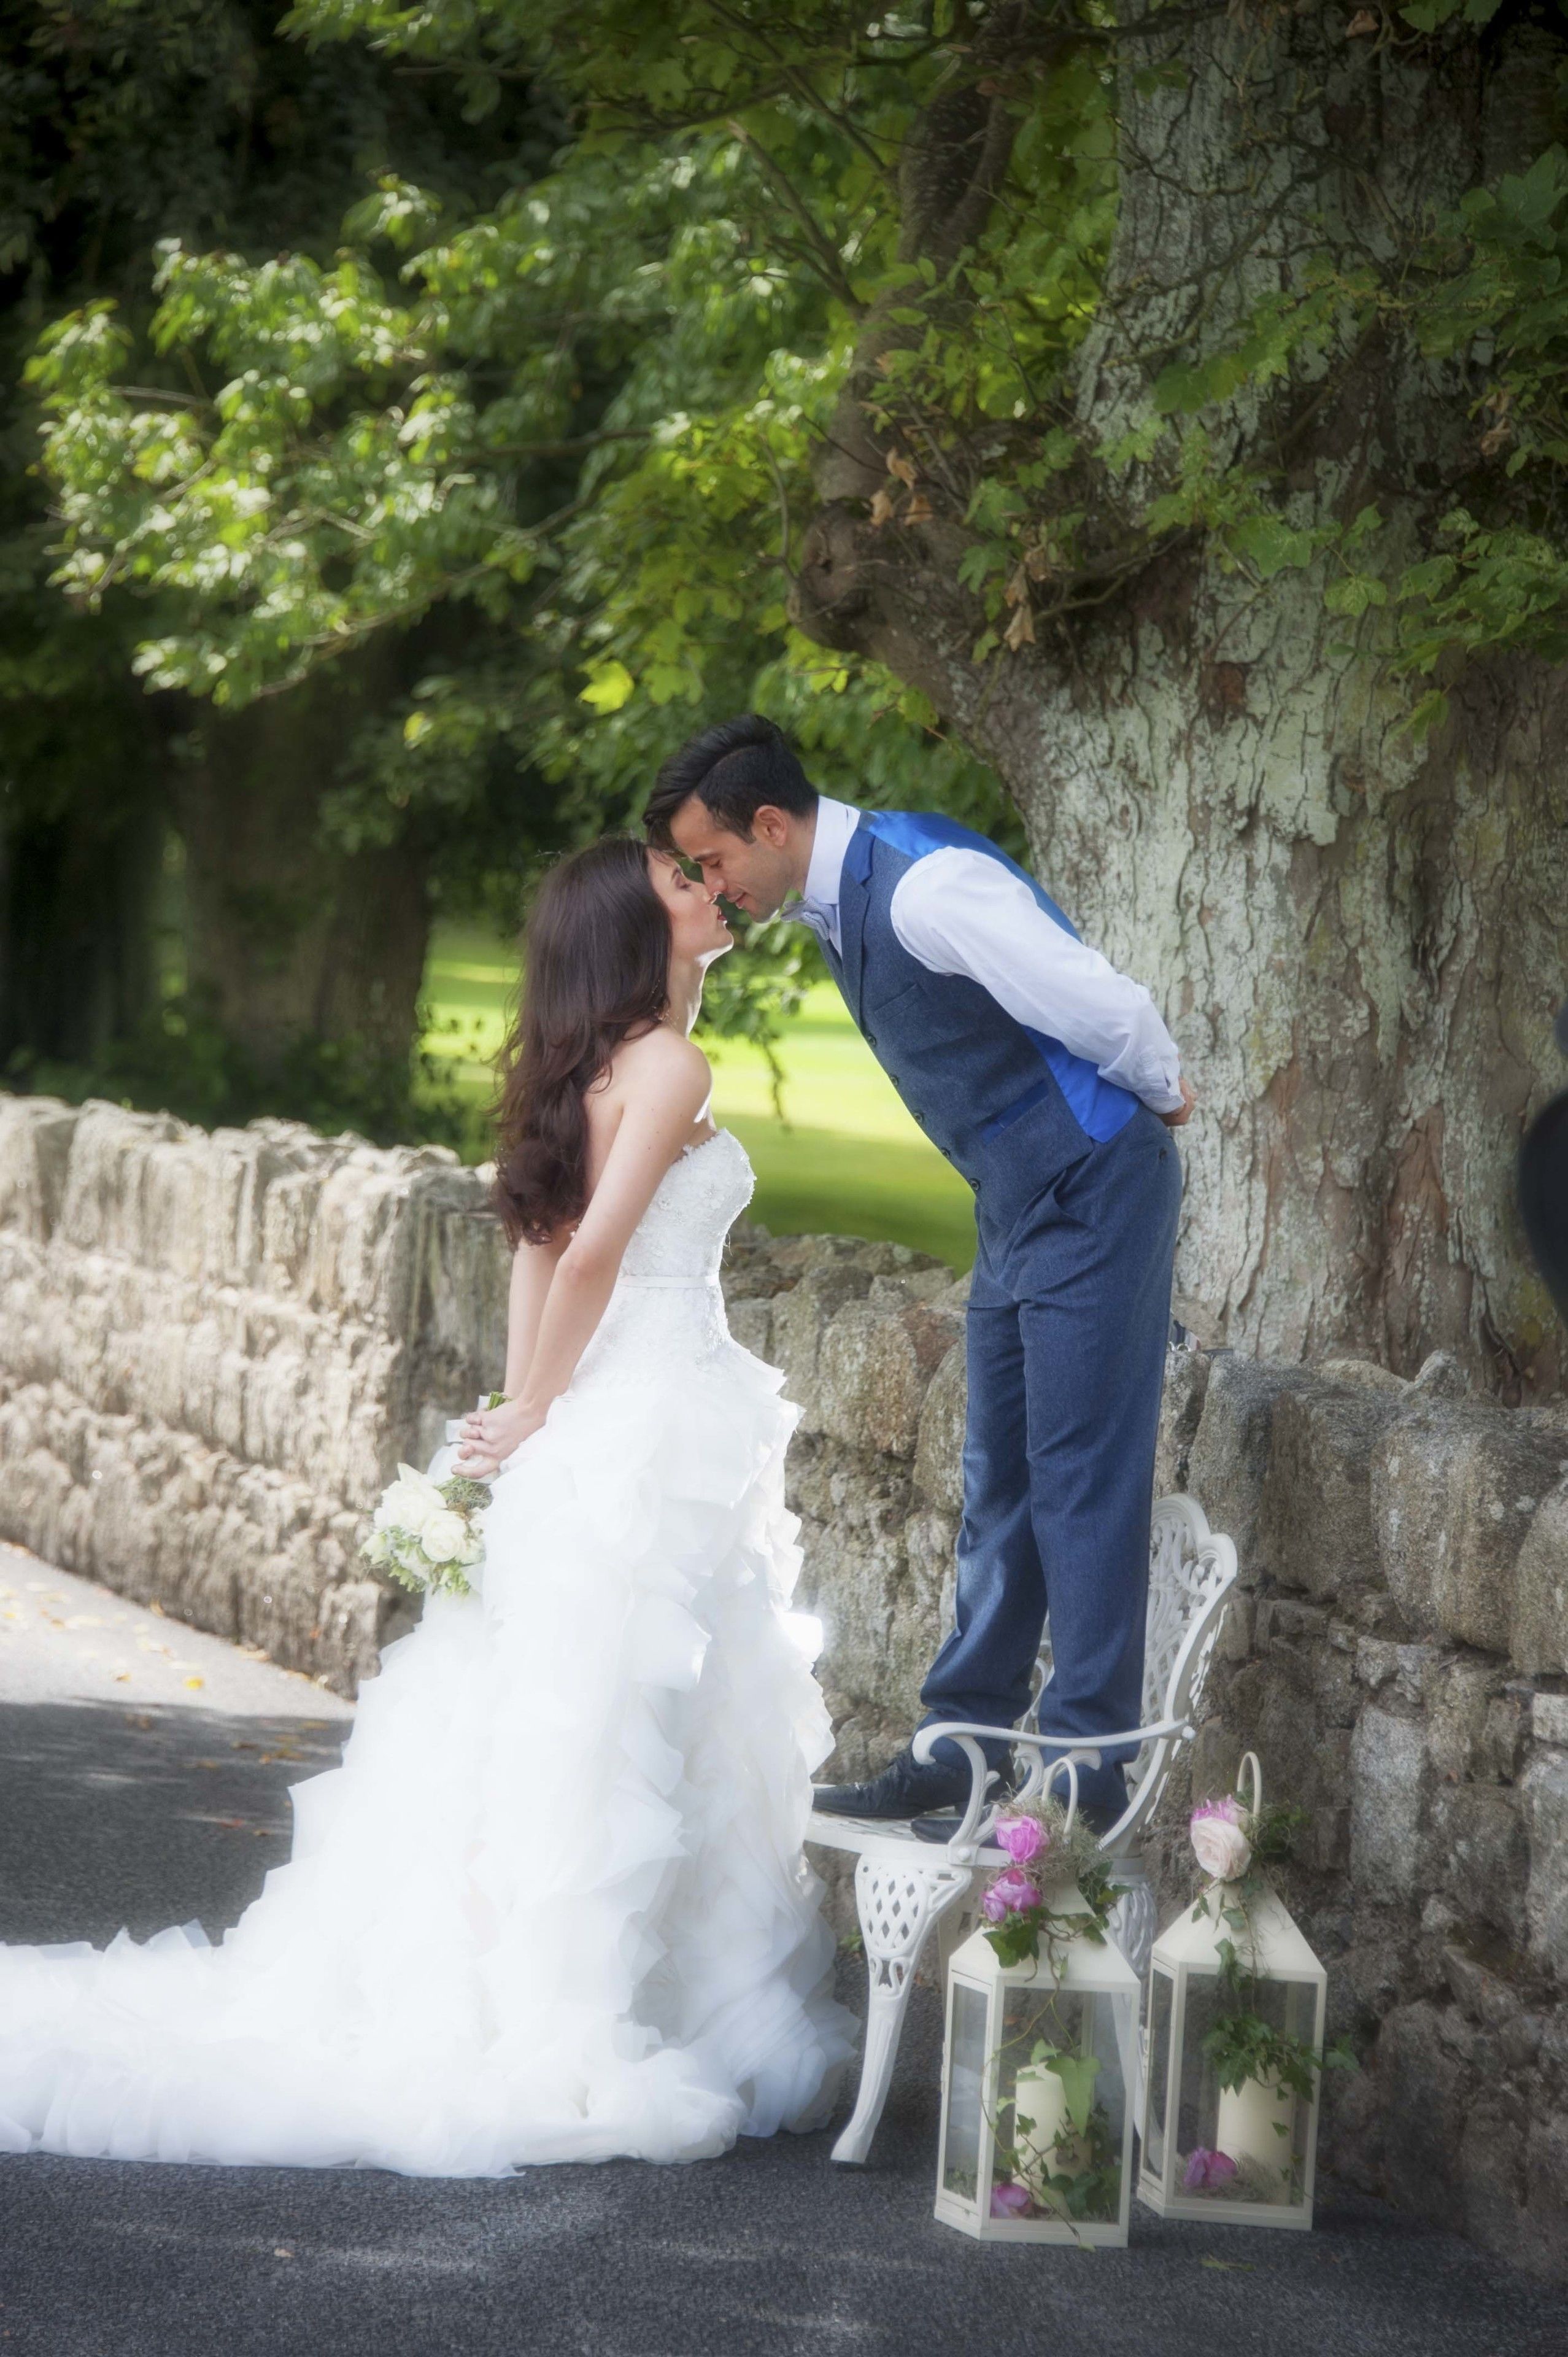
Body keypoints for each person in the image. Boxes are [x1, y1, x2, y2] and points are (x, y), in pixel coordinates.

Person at [0, 837, 851, 2174]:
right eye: (683, 880)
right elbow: (595, 1258)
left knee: (580, 1712)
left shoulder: (596, 1066)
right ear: (637, 927)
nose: (709, 887)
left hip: (609, 1413)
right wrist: (538, 1412)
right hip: (643, 1413)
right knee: (613, 1718)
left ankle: (607, 1992)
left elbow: (540, 1246)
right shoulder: (671, 1066)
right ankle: (576, 2018)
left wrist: (525, 1415)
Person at [646, 718, 1192, 1835]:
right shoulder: (833, 899)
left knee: (1079, 1474)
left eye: (712, 863)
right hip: (1016, 1205)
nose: (713, 886)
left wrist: (1162, 1093)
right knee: (998, 1476)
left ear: (770, 824)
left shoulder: (925, 889)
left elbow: (1103, 1005)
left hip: (1093, 1184)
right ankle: (963, 1751)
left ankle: (1087, 1784)